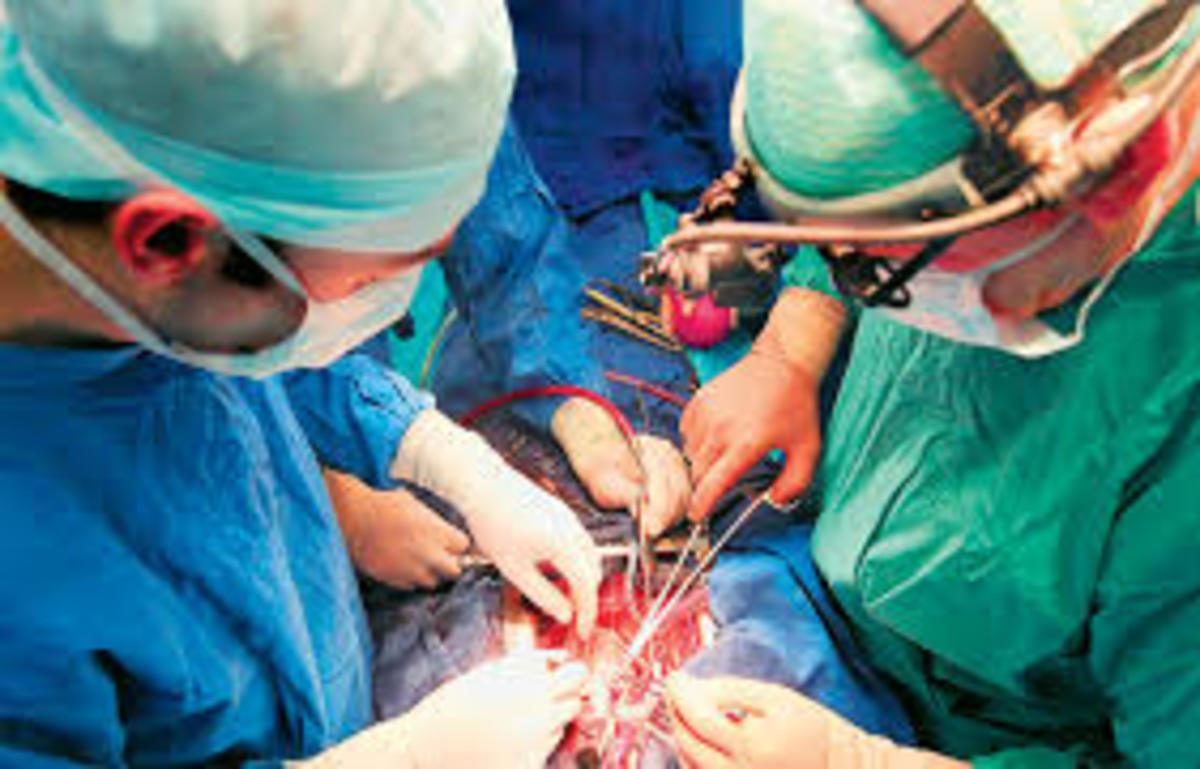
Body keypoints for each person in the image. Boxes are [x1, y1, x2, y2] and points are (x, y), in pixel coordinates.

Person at [0, 1, 604, 766]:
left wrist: (450, 461)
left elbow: (264, 354)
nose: (383, 307)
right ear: (162, 241)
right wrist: (403, 759)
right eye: (365, 283)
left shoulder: (142, 279)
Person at [660, 0, 1200, 766]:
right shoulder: (996, 183)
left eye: (881, 269)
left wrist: (861, 761)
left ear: (1114, 181)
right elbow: (877, 179)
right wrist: (791, 346)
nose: (864, 277)